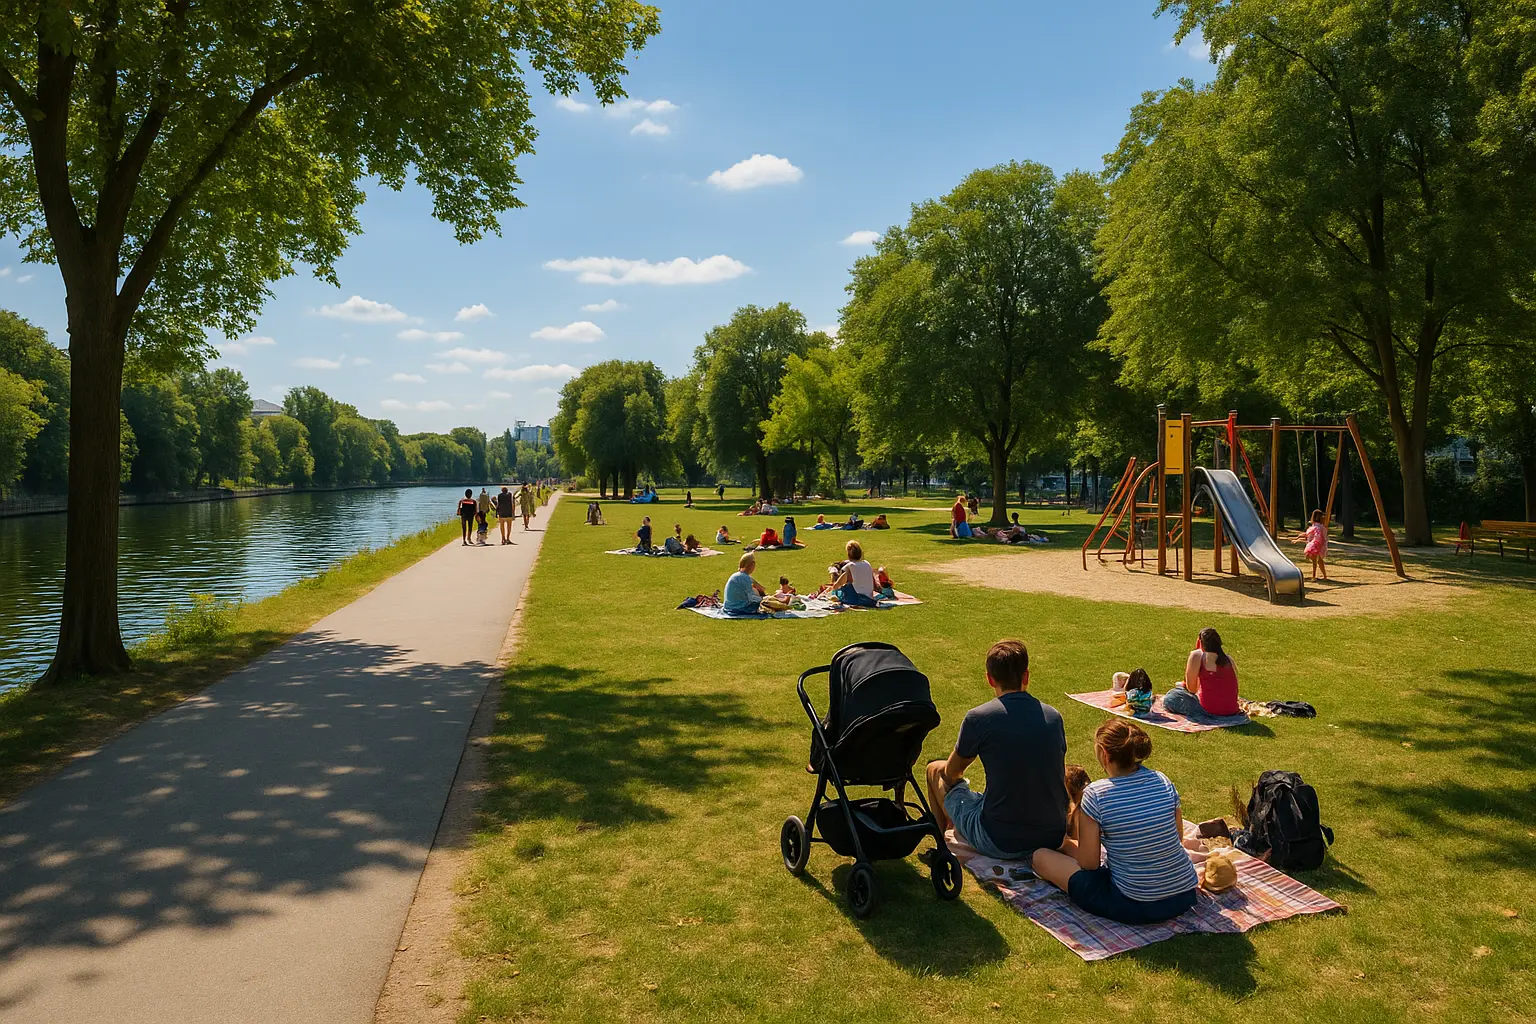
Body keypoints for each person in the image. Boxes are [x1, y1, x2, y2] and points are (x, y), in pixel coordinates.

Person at [1031, 720, 1200, 925]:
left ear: (1104, 753)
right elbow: (1178, 837)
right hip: (1184, 894)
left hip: (1135, 904)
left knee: (1040, 857)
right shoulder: (1162, 780)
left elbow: (1089, 864)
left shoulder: (1096, 794)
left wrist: (1068, 844)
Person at [925, 639, 1069, 862]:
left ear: (990, 679)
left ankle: (942, 849)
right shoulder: (1053, 716)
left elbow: (950, 773)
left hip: (1001, 841)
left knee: (935, 769)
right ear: (1026, 676)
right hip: (1052, 834)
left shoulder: (979, 718)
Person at [1163, 627, 1239, 717]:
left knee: (1171, 697)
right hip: (1231, 710)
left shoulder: (1197, 655)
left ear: (1200, 642)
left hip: (1208, 710)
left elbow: (1192, 689)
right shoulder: (1228, 659)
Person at [723, 552, 788, 615]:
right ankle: (784, 603)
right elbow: (752, 598)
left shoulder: (739, 575)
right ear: (752, 564)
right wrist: (763, 598)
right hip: (738, 608)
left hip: (730, 606)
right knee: (767, 603)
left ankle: (782, 601)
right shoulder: (744, 577)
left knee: (767, 600)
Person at [829, 539, 879, 607]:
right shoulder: (867, 564)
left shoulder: (850, 566)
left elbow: (837, 585)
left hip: (857, 599)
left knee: (839, 591)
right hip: (869, 598)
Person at [1295, 509, 1329, 581]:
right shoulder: (1318, 527)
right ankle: (1324, 576)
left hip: (1315, 546)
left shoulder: (1317, 527)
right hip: (1316, 545)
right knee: (1319, 560)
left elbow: (1313, 537)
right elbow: (1309, 536)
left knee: (1315, 561)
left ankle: (1314, 576)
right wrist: (1298, 539)